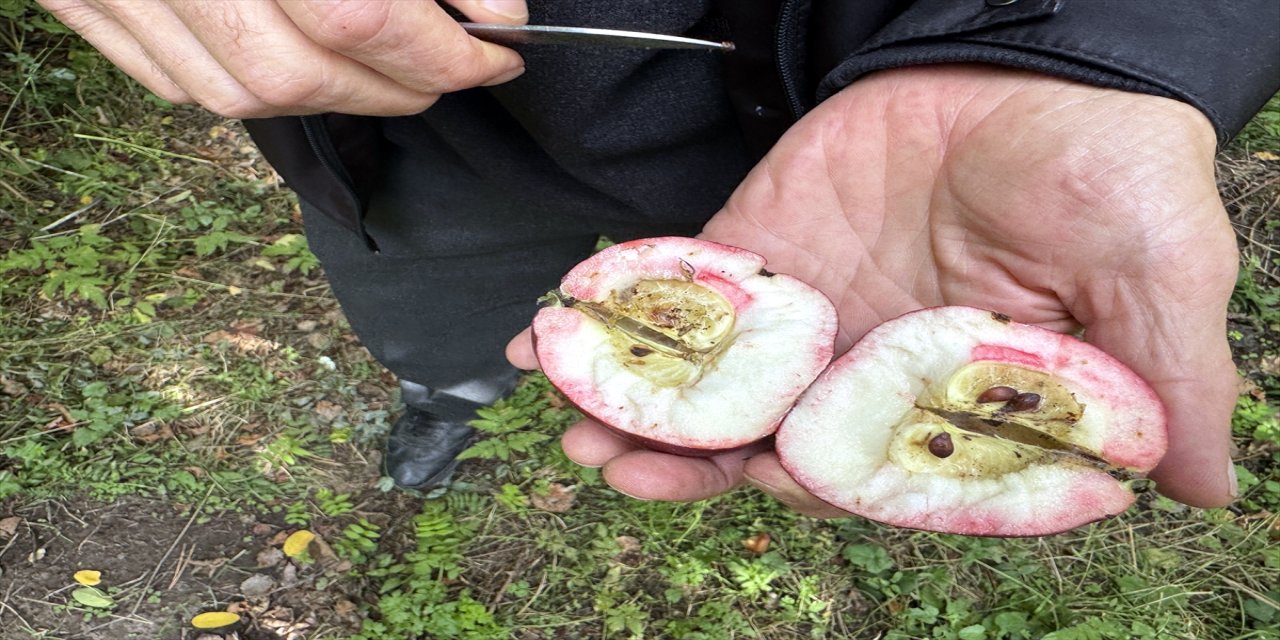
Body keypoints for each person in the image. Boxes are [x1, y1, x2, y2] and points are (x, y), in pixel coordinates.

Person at [39, 0, 1278, 514]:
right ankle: (450, 390)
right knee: (432, 296)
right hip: (410, 124)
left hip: (836, 126)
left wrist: (1082, 44)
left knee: (527, 303)